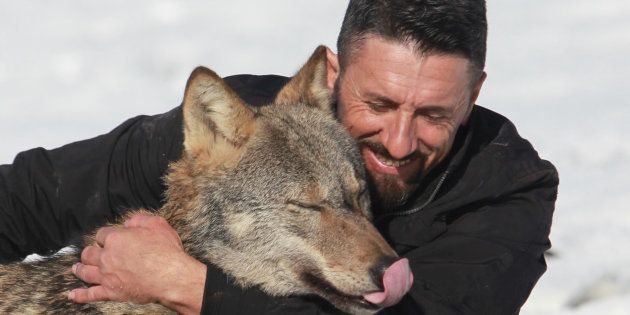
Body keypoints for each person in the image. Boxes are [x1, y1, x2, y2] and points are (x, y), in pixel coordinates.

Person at [0, 0, 558, 314]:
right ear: (332, 76)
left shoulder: (506, 191)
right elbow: (29, 197)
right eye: (378, 104)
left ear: (474, 95)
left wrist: (186, 286)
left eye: (434, 114)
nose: (399, 141)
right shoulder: (245, 128)